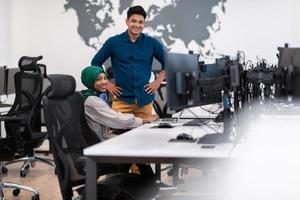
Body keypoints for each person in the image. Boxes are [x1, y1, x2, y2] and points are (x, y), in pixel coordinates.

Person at [91, 5, 166, 120]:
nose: (137, 25)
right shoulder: (113, 42)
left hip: (145, 103)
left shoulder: (152, 43)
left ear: (144, 24)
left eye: (141, 22)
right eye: (133, 21)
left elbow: (168, 63)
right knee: (118, 135)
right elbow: (95, 63)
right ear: (127, 21)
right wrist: (108, 85)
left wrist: (158, 82)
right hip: (121, 102)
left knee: (145, 135)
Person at [81, 65, 157, 141]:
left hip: (109, 132)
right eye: (98, 79)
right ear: (90, 81)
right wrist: (143, 120)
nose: (104, 82)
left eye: (105, 78)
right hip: (103, 141)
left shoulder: (93, 96)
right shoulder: (92, 101)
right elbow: (116, 119)